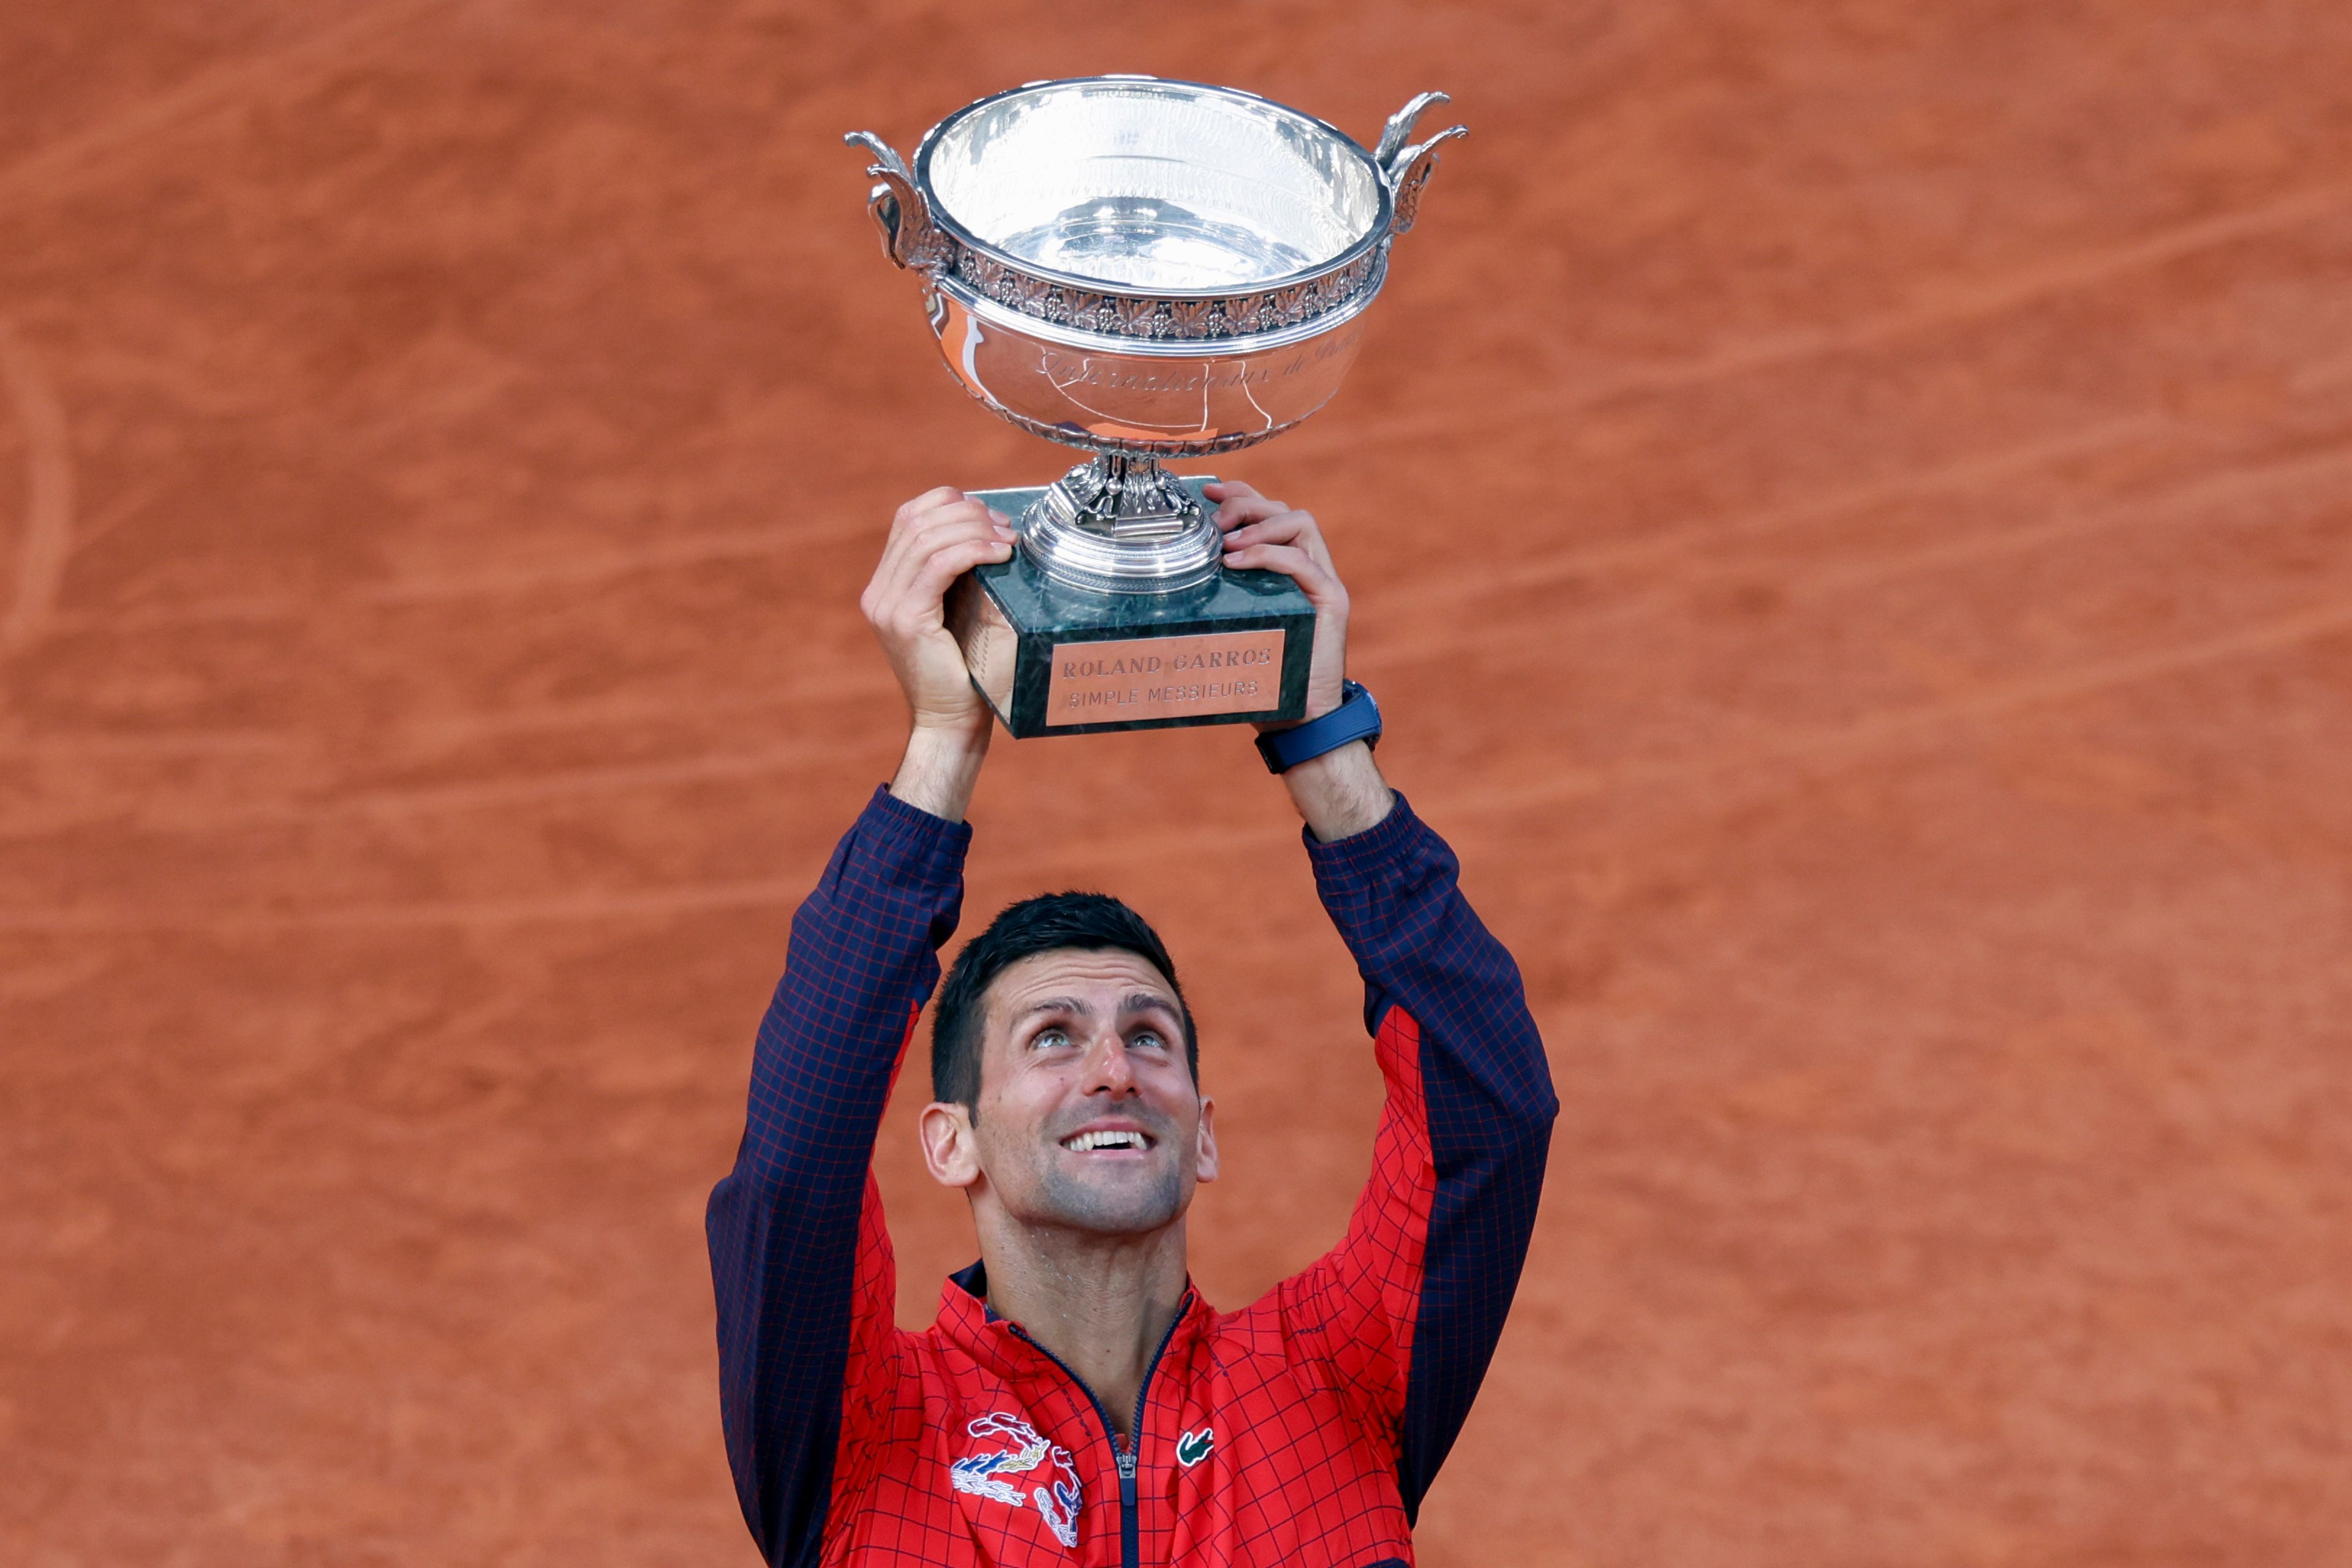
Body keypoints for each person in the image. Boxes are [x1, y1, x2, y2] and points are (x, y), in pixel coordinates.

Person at [707, 480, 1557, 1567]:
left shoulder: (1339, 1378)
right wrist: (940, 744)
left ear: (1204, 1130)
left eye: (1150, 1036)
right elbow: (795, 1174)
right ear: (948, 1138)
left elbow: (1491, 1109)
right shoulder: (868, 1434)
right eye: (1051, 1036)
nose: (1113, 1067)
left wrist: (1321, 736)